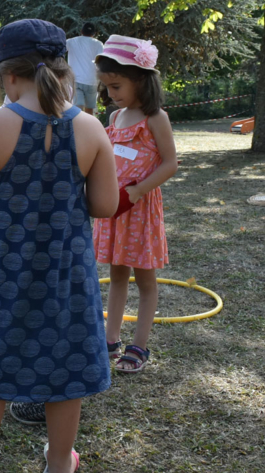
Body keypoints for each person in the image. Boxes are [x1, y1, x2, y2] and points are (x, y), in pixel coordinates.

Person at [0, 19, 118, 473]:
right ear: (65, 71)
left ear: (8, 75)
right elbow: (105, 206)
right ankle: (61, 466)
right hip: (67, 275)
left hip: (4, 272)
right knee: (64, 367)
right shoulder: (90, 129)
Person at [94, 35, 178, 374]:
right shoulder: (115, 120)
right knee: (116, 274)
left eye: (116, 85)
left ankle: (139, 345)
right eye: (107, 88)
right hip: (116, 209)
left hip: (139, 210)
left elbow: (170, 163)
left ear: (141, 79)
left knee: (144, 281)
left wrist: (139, 190)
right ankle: (110, 339)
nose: (111, 94)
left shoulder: (155, 118)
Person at [66, 22, 105, 116]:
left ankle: (77, 128)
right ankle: (89, 129)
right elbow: (101, 61)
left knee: (77, 108)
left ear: (81, 31)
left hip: (76, 80)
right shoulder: (98, 44)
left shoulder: (71, 41)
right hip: (92, 81)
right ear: (94, 33)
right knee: (89, 111)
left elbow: (59, 49)